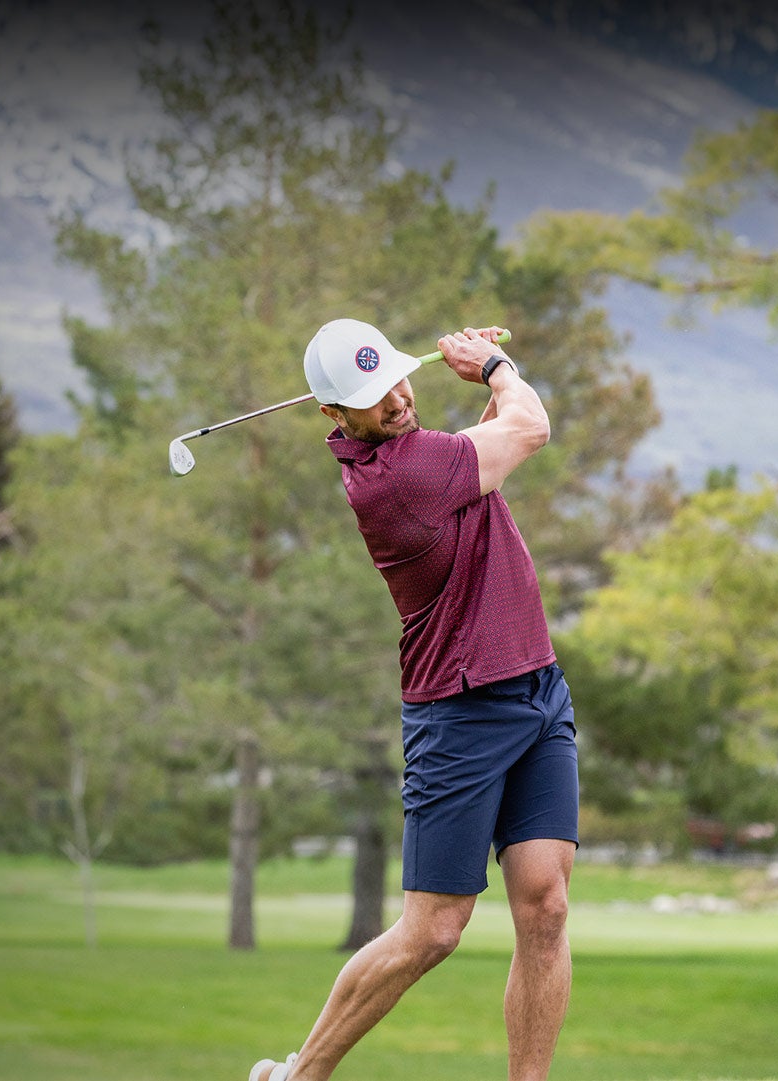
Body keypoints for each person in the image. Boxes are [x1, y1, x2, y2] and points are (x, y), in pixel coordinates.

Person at [248, 320, 578, 1081]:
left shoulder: (425, 458)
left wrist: (488, 391)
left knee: (546, 906)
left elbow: (485, 445)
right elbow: (530, 424)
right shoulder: (398, 477)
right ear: (336, 416)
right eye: (372, 397)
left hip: (536, 689)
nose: (398, 399)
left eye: (398, 378)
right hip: (459, 715)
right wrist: (495, 366)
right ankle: (301, 1075)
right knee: (431, 931)